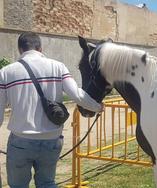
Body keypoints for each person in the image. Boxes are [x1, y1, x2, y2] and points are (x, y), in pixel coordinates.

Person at [0, 32, 104, 188]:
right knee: (47, 183)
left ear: (20, 49)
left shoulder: (6, 72)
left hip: (20, 141)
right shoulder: (58, 67)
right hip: (52, 140)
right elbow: (77, 94)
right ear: (40, 47)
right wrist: (97, 107)